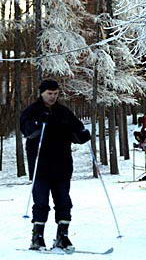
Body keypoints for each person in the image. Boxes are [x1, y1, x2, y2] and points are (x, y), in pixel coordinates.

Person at [20, 80, 91, 250]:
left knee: (64, 201)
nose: (52, 97)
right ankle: (37, 236)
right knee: (41, 202)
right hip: (40, 166)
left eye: (55, 94)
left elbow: (76, 130)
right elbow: (26, 130)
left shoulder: (64, 112)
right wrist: (38, 123)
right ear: (41, 93)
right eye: (49, 94)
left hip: (62, 164)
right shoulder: (32, 111)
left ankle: (63, 236)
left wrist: (82, 135)